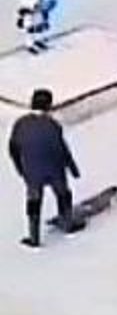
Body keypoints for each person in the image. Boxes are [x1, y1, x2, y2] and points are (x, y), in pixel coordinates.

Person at [8, 88, 79, 248]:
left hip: (32, 172)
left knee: (34, 201)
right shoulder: (53, 125)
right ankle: (67, 223)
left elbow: (13, 148)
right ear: (48, 106)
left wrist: (21, 169)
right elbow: (62, 150)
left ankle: (34, 237)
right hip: (55, 169)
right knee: (63, 194)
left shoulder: (20, 124)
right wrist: (73, 169)